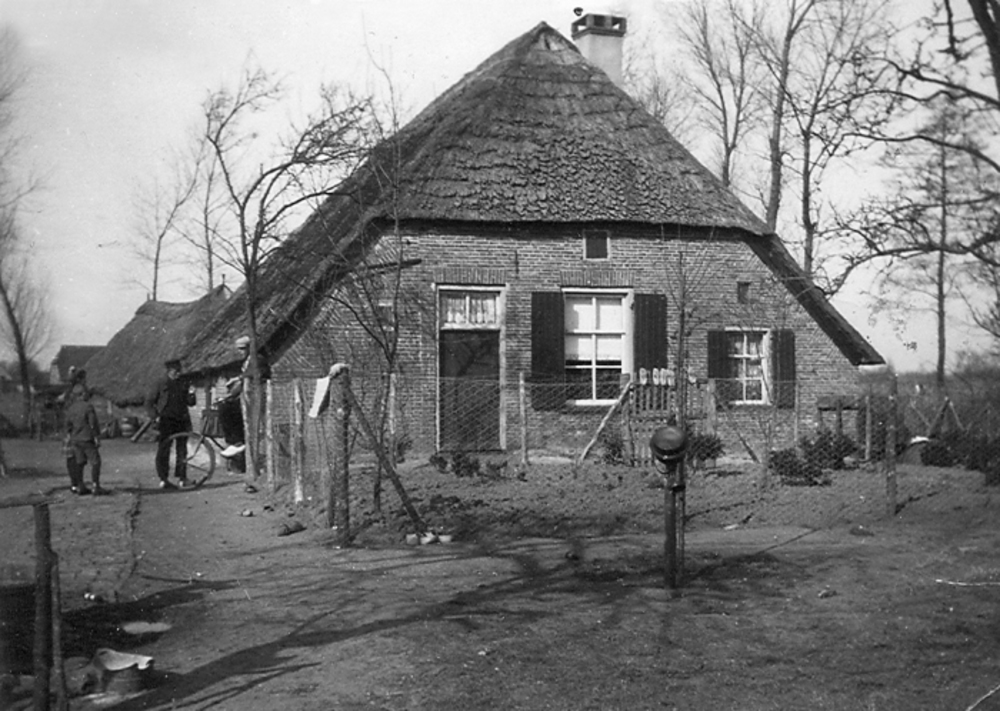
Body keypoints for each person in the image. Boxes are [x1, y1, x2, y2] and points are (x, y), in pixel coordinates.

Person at [145, 359, 196, 489]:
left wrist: (191, 393)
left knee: (182, 450)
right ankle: (163, 478)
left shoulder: (184, 383)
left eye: (179, 370)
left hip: (181, 420)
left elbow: (191, 403)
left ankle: (182, 478)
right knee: (164, 450)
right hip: (166, 421)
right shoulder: (160, 383)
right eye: (176, 371)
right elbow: (149, 402)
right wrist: (155, 417)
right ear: (169, 371)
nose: (178, 373)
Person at [64, 382, 104, 495]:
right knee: (96, 462)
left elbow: (67, 425)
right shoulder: (88, 406)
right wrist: (96, 436)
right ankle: (95, 486)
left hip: (75, 439)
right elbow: (92, 423)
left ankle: (80, 486)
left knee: (79, 462)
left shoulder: (71, 408)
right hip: (87, 438)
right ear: (82, 394)